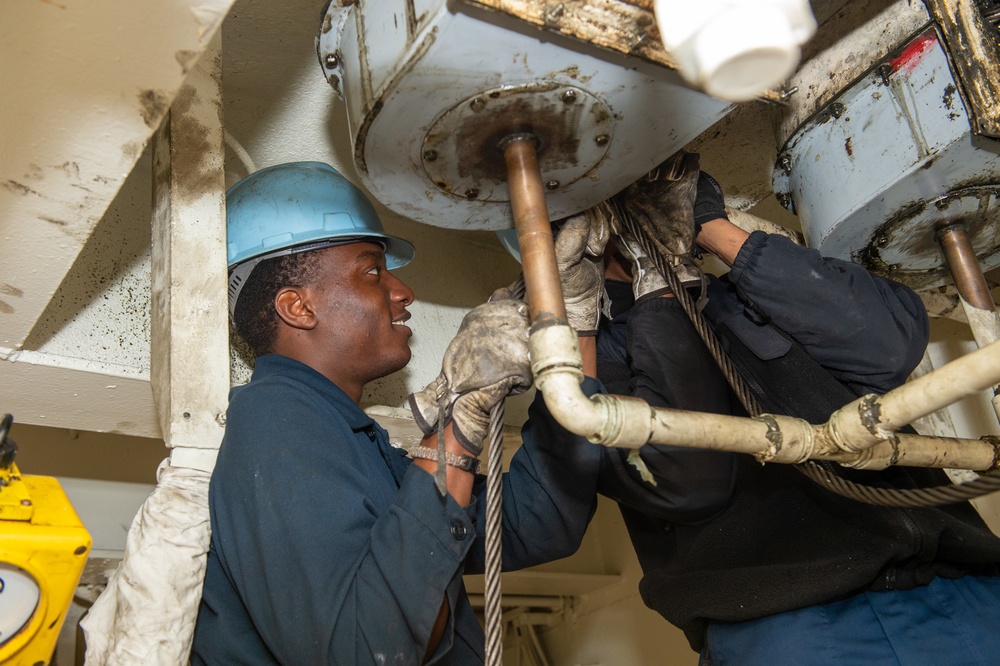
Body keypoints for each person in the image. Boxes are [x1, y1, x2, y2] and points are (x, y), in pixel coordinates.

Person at [582, 151, 1000, 664]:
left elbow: (890, 342)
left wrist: (709, 227)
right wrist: (647, 283)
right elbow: (676, 474)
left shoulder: (748, 293)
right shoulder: (592, 358)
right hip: (789, 629)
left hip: (965, 592)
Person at [189, 161, 605, 664]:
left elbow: (536, 522)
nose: (403, 292)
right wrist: (461, 421)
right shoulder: (276, 424)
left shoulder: (353, 441)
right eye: (372, 271)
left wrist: (574, 318)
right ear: (297, 307)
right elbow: (368, 650)